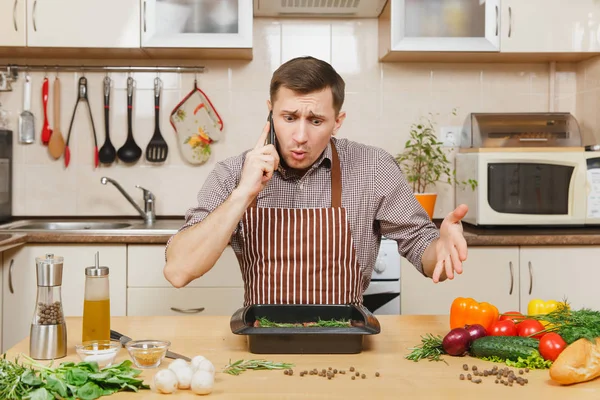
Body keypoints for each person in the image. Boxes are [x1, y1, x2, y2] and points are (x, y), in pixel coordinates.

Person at [164, 56, 469, 306]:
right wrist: (243, 193)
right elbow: (179, 271)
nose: (300, 137)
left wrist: (441, 249)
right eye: (289, 117)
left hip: (346, 340)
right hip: (262, 341)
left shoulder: (373, 168)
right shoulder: (232, 174)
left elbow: (424, 252)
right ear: (270, 113)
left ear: (338, 122)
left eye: (316, 121)